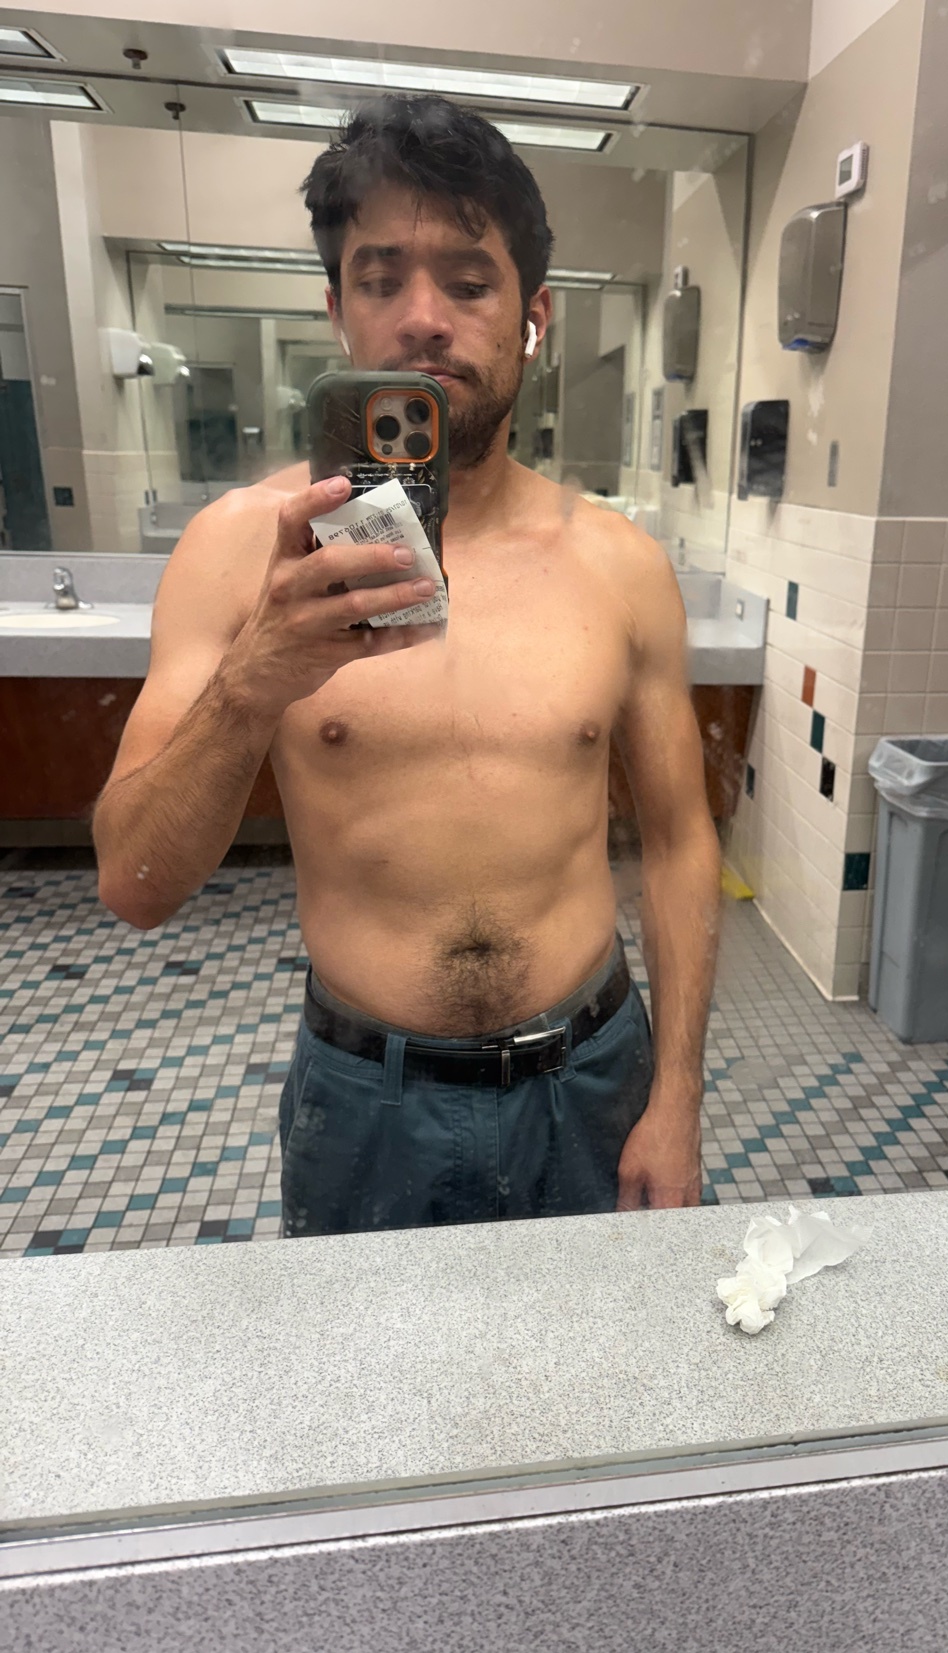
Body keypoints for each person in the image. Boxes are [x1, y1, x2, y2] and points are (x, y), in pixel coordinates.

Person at [93, 95, 721, 1235]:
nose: (425, 320)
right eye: (381, 280)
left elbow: (680, 843)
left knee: (605, 1354)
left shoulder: (619, 565)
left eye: (469, 284)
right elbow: (136, 886)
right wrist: (253, 683)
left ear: (533, 319)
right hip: (364, 1104)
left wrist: (677, 1097)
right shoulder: (239, 552)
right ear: (337, 311)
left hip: (594, 1078)